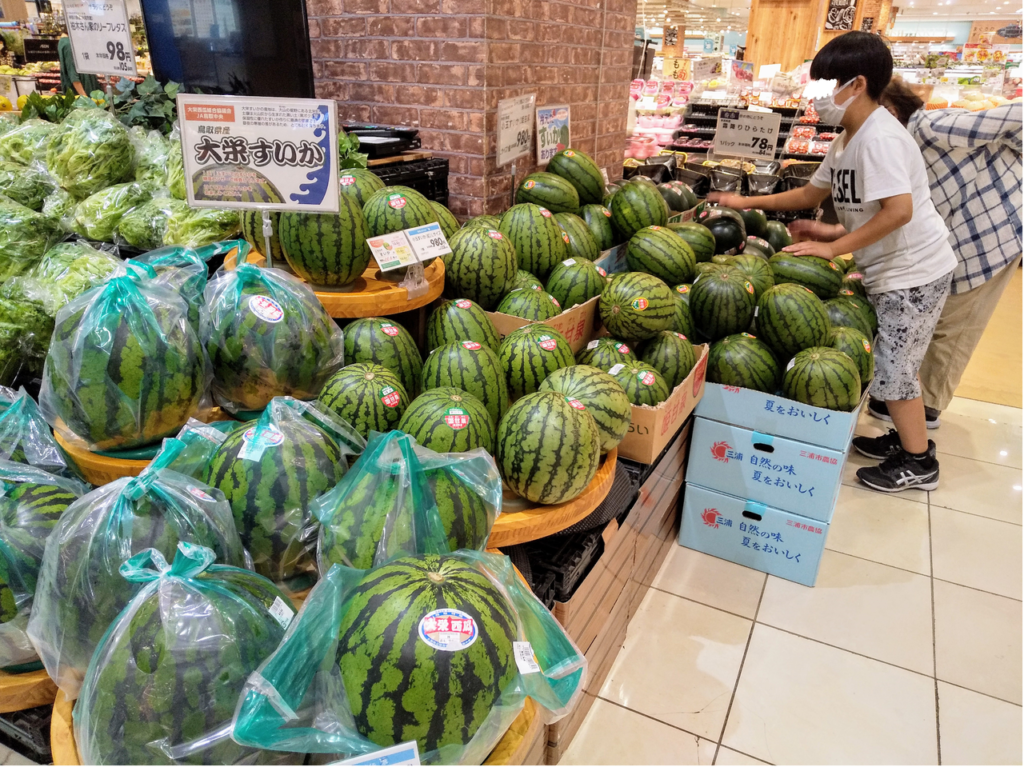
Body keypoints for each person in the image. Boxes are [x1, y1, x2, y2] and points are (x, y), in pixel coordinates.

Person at [709, 31, 957, 493]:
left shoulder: (879, 138)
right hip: (895, 269)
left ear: (856, 84)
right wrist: (745, 205)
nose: (818, 96)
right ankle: (905, 441)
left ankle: (919, 462)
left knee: (896, 370)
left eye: (825, 85)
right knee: (896, 364)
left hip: (914, 272)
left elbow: (899, 211)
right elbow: (811, 193)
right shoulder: (849, 137)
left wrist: (831, 248)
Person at [796, 79, 1022, 429]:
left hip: (990, 231)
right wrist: (835, 231)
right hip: (940, 234)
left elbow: (1017, 115)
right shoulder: (876, 144)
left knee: (954, 325)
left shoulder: (932, 127)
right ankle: (901, 402)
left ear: (889, 109)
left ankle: (924, 412)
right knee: (918, 331)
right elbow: (885, 209)